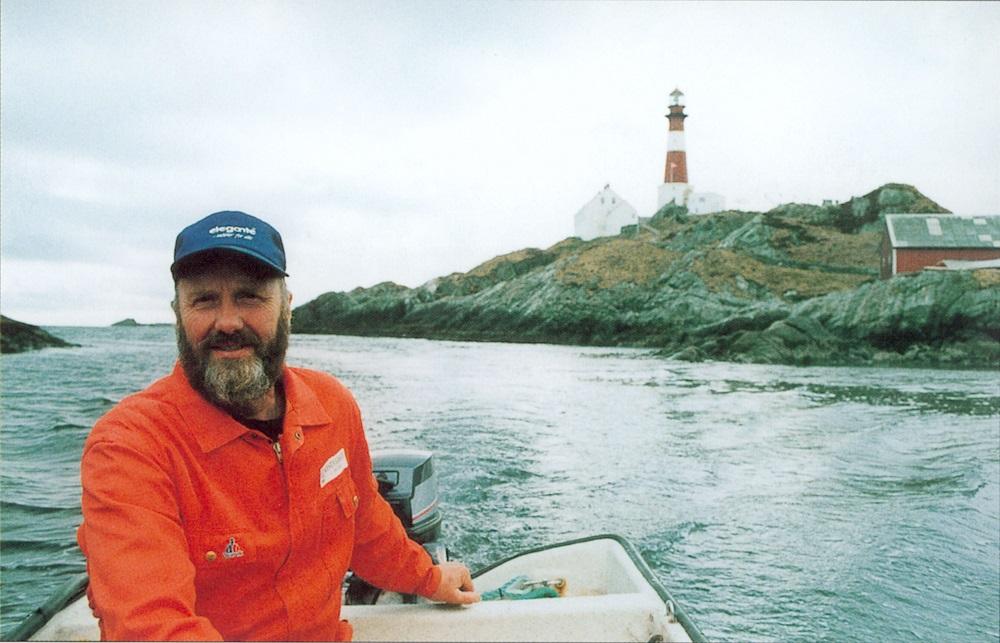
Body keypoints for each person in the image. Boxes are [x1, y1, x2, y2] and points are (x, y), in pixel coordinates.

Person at [77, 210, 479, 641]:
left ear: (287, 307)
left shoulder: (332, 405)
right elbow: (150, 625)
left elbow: (364, 521)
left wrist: (429, 578)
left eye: (250, 297)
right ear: (178, 312)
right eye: (204, 300)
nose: (228, 322)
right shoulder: (130, 446)